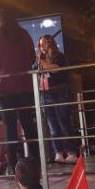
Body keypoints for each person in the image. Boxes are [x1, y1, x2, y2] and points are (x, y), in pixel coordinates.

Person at [0, 9, 37, 174]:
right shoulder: (24, 35)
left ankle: (12, 165)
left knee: (9, 127)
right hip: (24, 85)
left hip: (3, 87)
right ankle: (36, 160)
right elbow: (32, 58)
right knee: (28, 124)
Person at [36, 35, 79, 164]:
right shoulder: (40, 59)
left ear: (50, 43)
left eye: (44, 44)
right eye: (40, 45)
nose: (41, 47)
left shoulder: (59, 56)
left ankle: (71, 152)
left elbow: (55, 69)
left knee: (64, 123)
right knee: (53, 127)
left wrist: (40, 61)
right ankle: (58, 153)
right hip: (45, 93)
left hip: (60, 92)